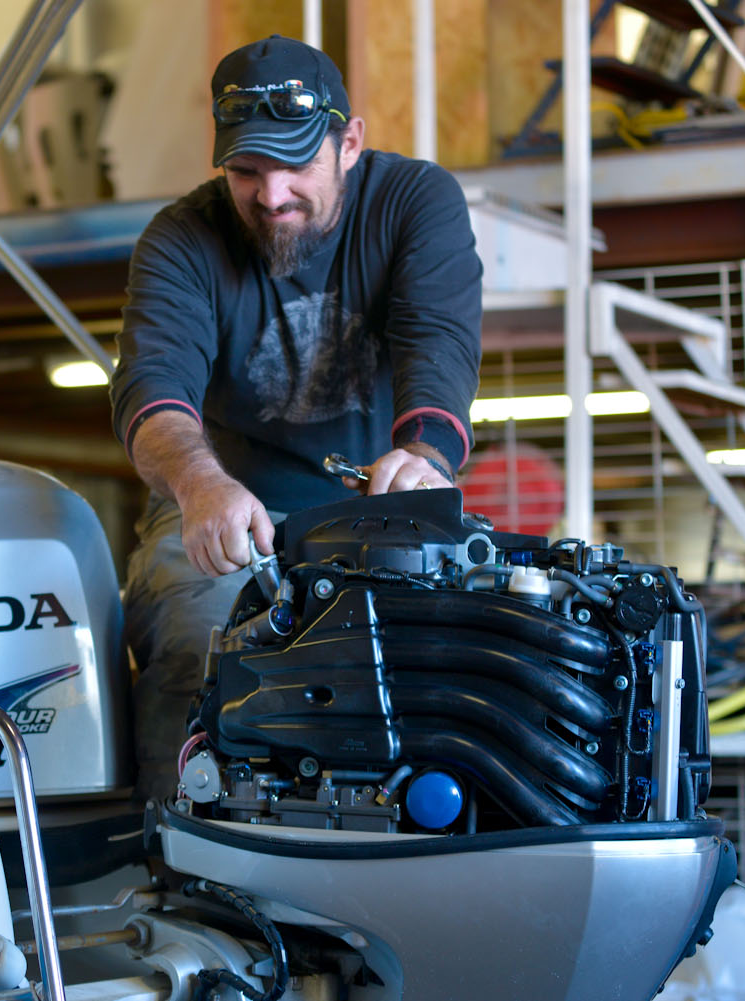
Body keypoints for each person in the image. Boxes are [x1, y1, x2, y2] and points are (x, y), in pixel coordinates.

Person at [109, 34, 483, 799]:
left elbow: (437, 339)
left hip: (381, 514)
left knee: (448, 670)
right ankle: (173, 861)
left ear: (349, 143)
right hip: (223, 516)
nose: (271, 195)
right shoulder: (179, 240)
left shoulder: (416, 203)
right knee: (200, 642)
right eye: (247, 171)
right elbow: (152, 388)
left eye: (294, 166)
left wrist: (428, 456)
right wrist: (199, 483)